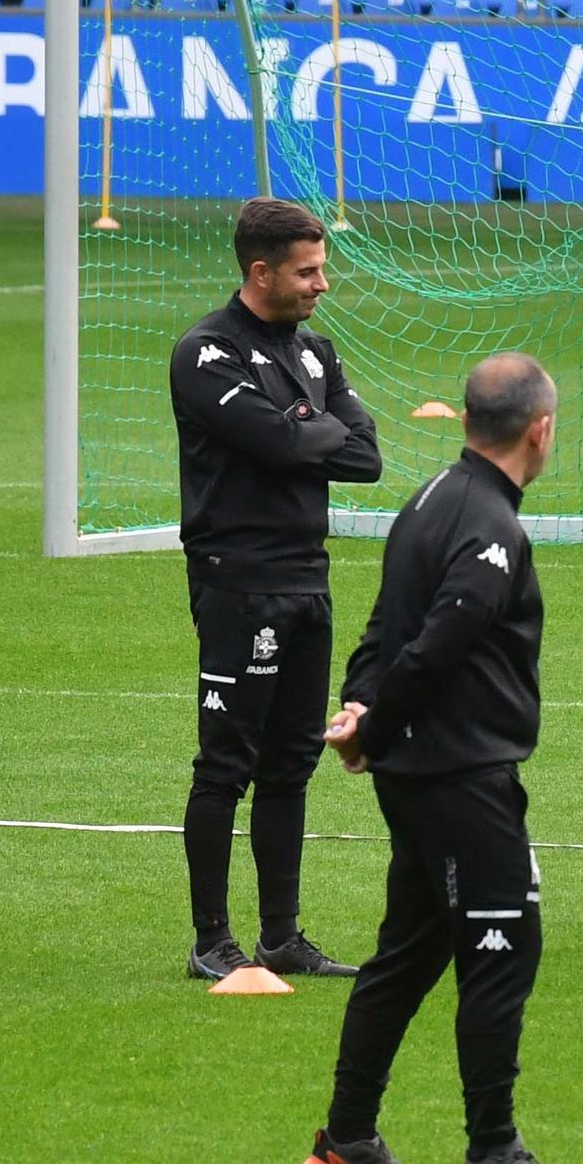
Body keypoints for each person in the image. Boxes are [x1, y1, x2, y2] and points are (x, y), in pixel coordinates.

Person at [299, 352, 578, 1164]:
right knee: (503, 947)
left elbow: (384, 629)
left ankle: (344, 1142)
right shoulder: (490, 526)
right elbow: (438, 642)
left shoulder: (425, 503)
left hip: (422, 770)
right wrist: (372, 724)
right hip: (460, 775)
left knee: (410, 952)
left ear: (465, 422)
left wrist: (357, 711)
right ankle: (492, 1157)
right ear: (541, 430)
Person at [170, 196, 382, 981]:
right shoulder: (206, 354)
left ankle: (282, 935)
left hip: (307, 579)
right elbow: (278, 439)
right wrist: (304, 432)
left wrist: (301, 431)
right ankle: (209, 940)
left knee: (292, 763)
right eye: (308, 271)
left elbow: (364, 456)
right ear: (261, 273)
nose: (322, 284)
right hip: (240, 584)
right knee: (225, 763)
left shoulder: (317, 353)